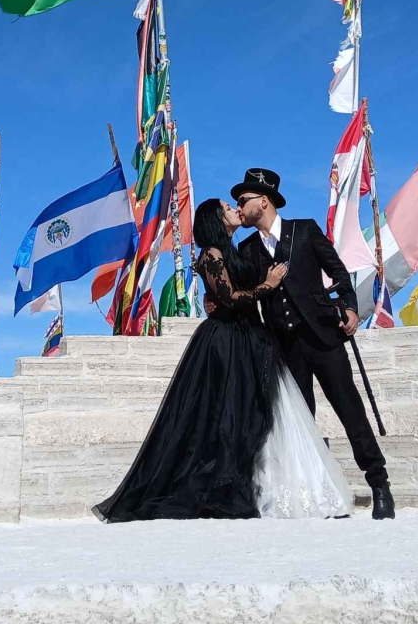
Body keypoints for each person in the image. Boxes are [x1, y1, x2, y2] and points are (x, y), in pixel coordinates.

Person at [94, 197, 351, 522]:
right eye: (227, 208)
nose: (234, 209)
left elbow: (225, 290)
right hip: (227, 342)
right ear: (216, 220)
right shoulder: (211, 254)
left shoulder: (233, 250)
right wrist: (267, 286)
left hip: (253, 339)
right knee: (227, 416)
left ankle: (293, 491)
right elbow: (229, 299)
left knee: (267, 415)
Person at [233, 167, 396, 519]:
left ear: (264, 201)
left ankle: (380, 486)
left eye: (243, 201)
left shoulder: (304, 231)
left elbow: (339, 272)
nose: (239, 207)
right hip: (284, 347)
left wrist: (350, 308)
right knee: (299, 423)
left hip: (324, 338)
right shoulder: (246, 249)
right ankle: (310, 496)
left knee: (350, 411)